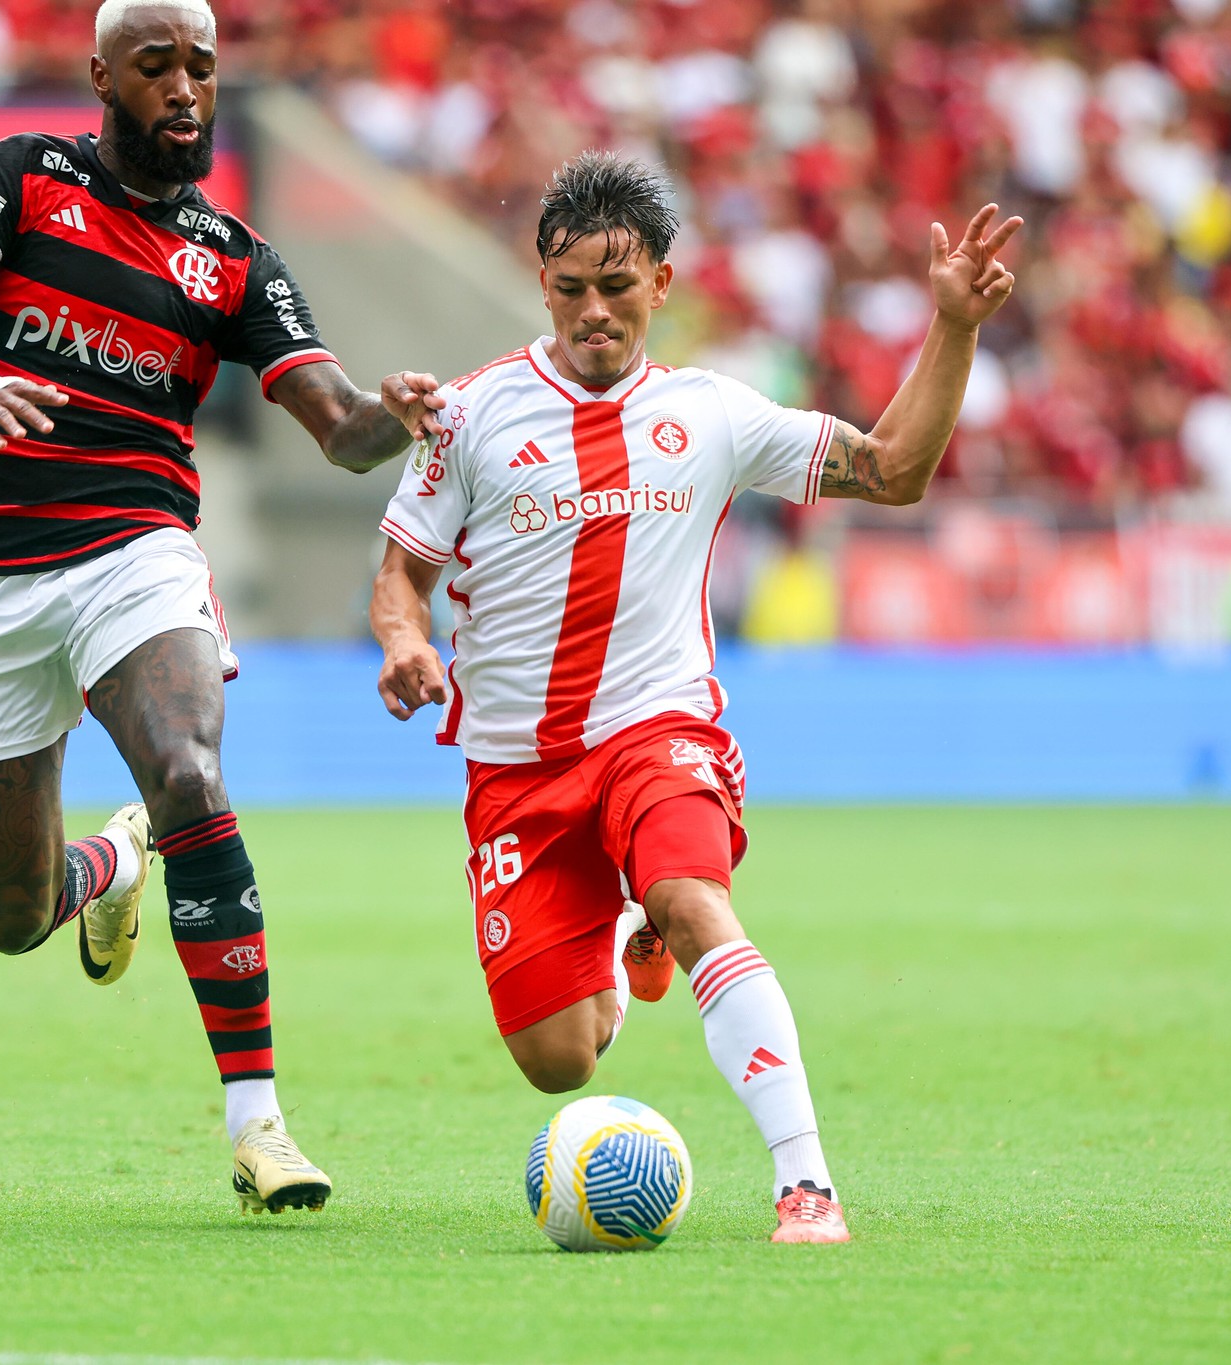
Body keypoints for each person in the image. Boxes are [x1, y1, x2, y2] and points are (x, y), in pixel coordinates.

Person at [368, 153, 1020, 1244]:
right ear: (541, 285)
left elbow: (893, 469)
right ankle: (625, 921)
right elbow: (400, 574)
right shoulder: (468, 416)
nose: (594, 312)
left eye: (617, 289)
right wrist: (402, 642)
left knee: (694, 900)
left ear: (661, 287)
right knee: (556, 1060)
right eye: (570, 288)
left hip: (656, 730)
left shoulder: (709, 413)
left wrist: (949, 326)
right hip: (514, 769)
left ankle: (803, 1183)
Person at [0, 0, 438, 1212]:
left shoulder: (232, 257)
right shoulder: (19, 181)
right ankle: (109, 864)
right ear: (102, 77)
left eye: (203, 68)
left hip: (134, 549)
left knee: (189, 771)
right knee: (12, 919)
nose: (185, 88)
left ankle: (259, 1126)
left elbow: (339, 432)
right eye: (157, 65)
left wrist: (409, 410)